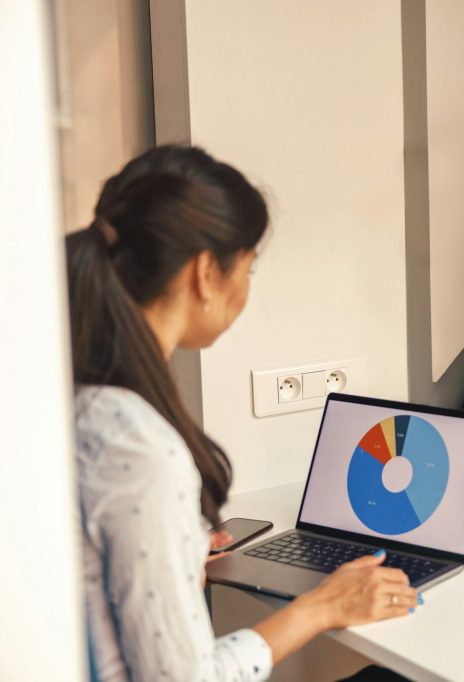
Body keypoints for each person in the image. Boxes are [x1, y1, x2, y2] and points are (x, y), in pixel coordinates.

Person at [69, 145, 416, 681]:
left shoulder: (79, 403)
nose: (248, 285)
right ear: (208, 273)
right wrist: (322, 606)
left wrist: (174, 557)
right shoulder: (139, 447)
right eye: (249, 267)